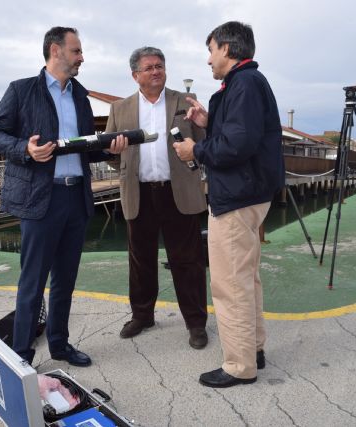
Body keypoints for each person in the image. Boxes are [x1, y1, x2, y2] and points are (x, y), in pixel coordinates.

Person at [0, 27, 127, 366]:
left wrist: (109, 149)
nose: (81, 57)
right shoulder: (21, 90)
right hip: (39, 198)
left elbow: (82, 148)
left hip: (75, 198)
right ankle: (21, 355)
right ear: (55, 50)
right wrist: (25, 149)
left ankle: (60, 345)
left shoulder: (79, 94)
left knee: (65, 280)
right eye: (76, 51)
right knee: (32, 283)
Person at [174, 21, 285, 387]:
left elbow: (237, 146)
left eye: (210, 50)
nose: (208, 59)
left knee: (230, 283)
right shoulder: (246, 84)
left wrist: (195, 149)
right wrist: (209, 121)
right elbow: (241, 134)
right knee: (245, 278)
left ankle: (240, 366)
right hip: (249, 194)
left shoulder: (245, 84)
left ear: (226, 47)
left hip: (236, 197)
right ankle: (253, 349)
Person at [105, 47, 209, 348]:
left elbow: (202, 143)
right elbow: (113, 153)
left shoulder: (184, 102)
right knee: (140, 261)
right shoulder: (120, 109)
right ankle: (142, 316)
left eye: (160, 66)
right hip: (139, 193)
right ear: (135, 74)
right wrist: (115, 153)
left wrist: (204, 124)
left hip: (178, 193)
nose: (156, 71)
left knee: (187, 261)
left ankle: (196, 323)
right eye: (149, 67)